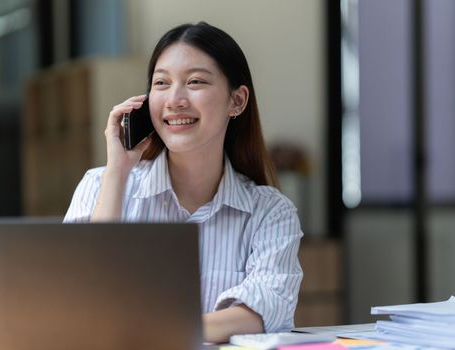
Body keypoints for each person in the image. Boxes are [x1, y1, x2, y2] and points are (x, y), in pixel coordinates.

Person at [64, 21, 303, 343]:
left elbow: (266, 309)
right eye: (161, 83)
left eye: (195, 82)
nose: (174, 99)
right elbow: (74, 298)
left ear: (237, 101)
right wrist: (117, 173)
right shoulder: (100, 185)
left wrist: (150, 331)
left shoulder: (270, 211)